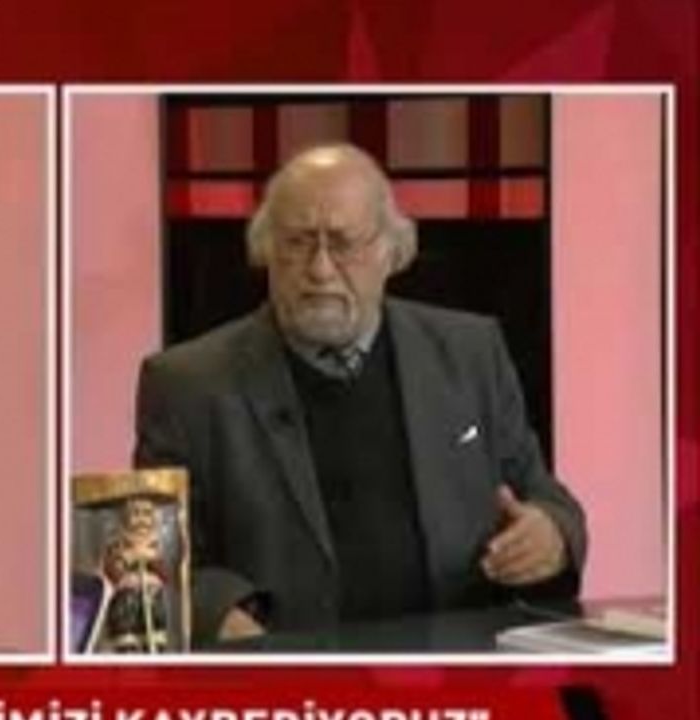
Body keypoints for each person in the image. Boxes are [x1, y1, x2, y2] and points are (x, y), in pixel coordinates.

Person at [134, 143, 587, 646]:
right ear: (266, 251)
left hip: (453, 666)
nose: (320, 269)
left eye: (343, 243)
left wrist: (552, 535)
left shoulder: (470, 353)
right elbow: (151, 559)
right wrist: (219, 615)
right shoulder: (187, 384)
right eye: (297, 243)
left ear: (392, 251)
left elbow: (543, 497)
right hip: (289, 670)